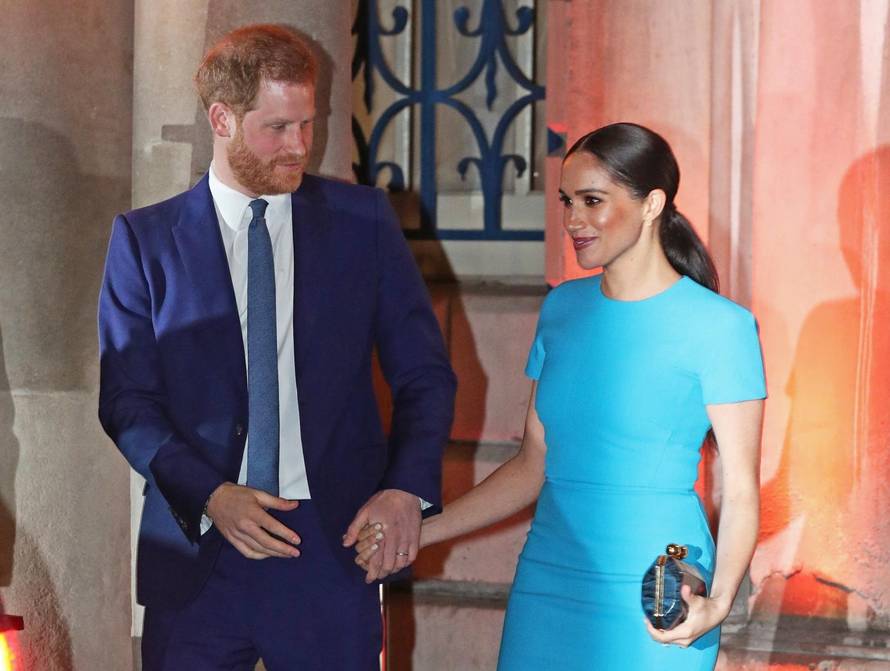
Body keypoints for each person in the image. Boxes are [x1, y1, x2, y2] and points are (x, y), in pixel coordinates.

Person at [98, 24, 455, 670]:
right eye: (278, 128)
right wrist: (211, 492)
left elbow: (426, 375)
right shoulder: (144, 241)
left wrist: (406, 488)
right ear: (222, 119)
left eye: (307, 125)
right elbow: (126, 400)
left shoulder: (364, 224)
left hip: (330, 545)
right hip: (197, 551)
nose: (299, 146)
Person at [357, 122, 765, 669]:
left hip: (654, 587)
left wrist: (717, 604)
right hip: (549, 577)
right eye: (567, 201)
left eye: (593, 201)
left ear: (652, 205)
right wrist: (415, 535)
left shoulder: (721, 327)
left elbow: (740, 490)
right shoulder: (562, 310)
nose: (572, 220)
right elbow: (532, 465)